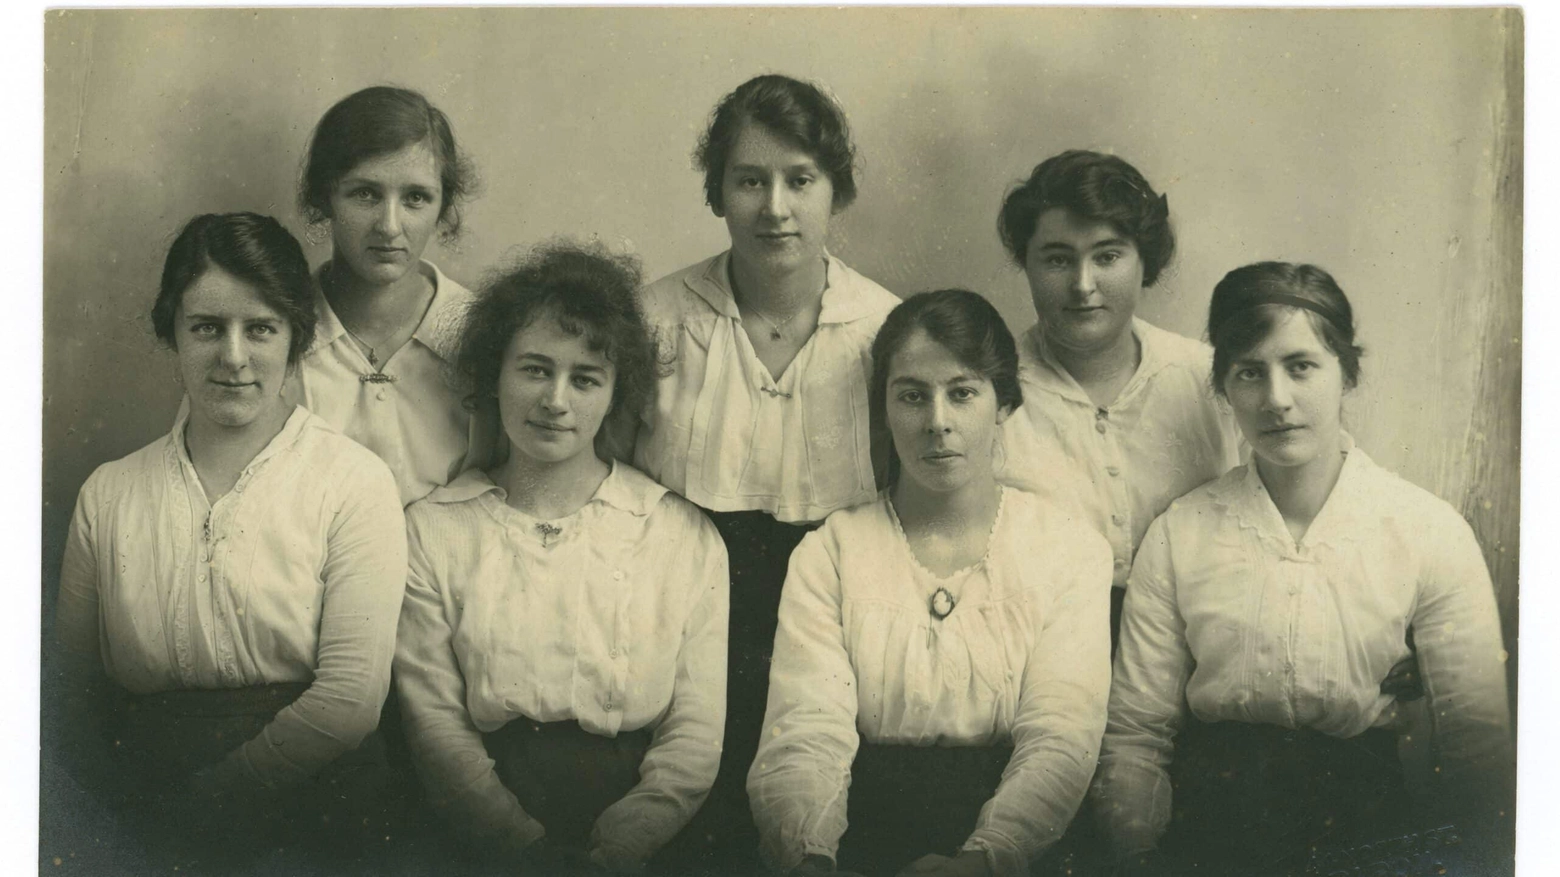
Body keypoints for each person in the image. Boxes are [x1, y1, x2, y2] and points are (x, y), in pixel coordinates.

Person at [1091, 262, 1514, 876]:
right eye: (1249, 373)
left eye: (1301, 366)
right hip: (1210, 838)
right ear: (1224, 387)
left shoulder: (1426, 530)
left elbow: (1477, 745)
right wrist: (1139, 859)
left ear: (1348, 372)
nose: (1276, 399)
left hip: (1369, 836)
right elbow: (1135, 736)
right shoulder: (1181, 533)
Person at [49, 213, 407, 869]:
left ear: (296, 336)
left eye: (261, 328)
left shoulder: (354, 481)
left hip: (312, 814)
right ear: (172, 333)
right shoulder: (109, 495)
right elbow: (67, 702)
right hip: (144, 813)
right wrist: (138, 821)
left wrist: (208, 801)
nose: (234, 356)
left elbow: (351, 700)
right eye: (207, 327)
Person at [628, 73, 901, 862]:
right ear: (717, 193)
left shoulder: (885, 330)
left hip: (837, 620)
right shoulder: (655, 321)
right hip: (677, 618)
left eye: (800, 180)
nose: (774, 207)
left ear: (835, 193)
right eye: (750, 180)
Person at [749, 290, 1113, 877]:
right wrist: (810, 857)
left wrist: (987, 858)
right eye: (912, 396)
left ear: (1003, 405)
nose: (937, 421)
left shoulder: (1067, 550)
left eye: (963, 393)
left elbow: (1061, 737)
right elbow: (805, 734)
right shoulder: (832, 552)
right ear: (885, 408)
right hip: (852, 843)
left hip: (1020, 848)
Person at [393, 242, 729, 875]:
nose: (555, 400)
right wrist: (520, 850)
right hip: (480, 835)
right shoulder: (436, 531)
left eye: (585, 378)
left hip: (645, 836)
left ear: (615, 391)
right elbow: (435, 722)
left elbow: (694, 733)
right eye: (535, 369)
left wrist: (624, 847)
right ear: (494, 372)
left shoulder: (678, 535)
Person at [994, 150, 1241, 642]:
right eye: (1058, 259)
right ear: (1026, 263)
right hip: (1040, 649)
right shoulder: (989, 388)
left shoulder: (1207, 377)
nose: (1083, 285)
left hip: (1204, 644)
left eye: (1107, 257)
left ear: (1144, 260)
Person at [292, 85, 485, 505]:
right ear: (326, 198)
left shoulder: (487, 336)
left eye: (416, 198)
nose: (389, 226)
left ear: (442, 207)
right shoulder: (272, 332)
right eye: (365, 194)